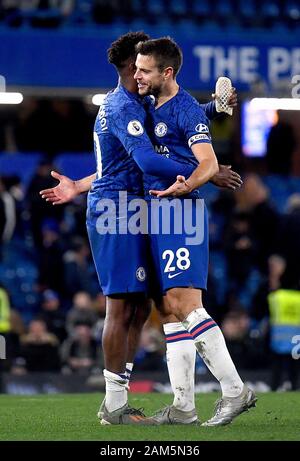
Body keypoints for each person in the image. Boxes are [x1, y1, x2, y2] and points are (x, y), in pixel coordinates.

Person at [40, 32, 242, 425]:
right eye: (141, 66)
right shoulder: (119, 107)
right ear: (131, 68)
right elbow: (148, 161)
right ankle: (114, 404)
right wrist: (205, 172)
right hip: (116, 210)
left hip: (139, 205)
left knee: (150, 305)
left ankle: (178, 406)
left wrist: (213, 109)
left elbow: (170, 124)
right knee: (122, 307)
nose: (145, 71)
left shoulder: (141, 103)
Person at [134, 37, 257, 426]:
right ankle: (184, 406)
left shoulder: (184, 108)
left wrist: (188, 183)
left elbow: (206, 161)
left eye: (145, 70)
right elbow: (178, 131)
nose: (136, 75)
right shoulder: (156, 104)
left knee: (188, 306)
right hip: (158, 212)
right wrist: (215, 108)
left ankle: (236, 391)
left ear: (166, 73)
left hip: (179, 212)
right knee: (168, 310)